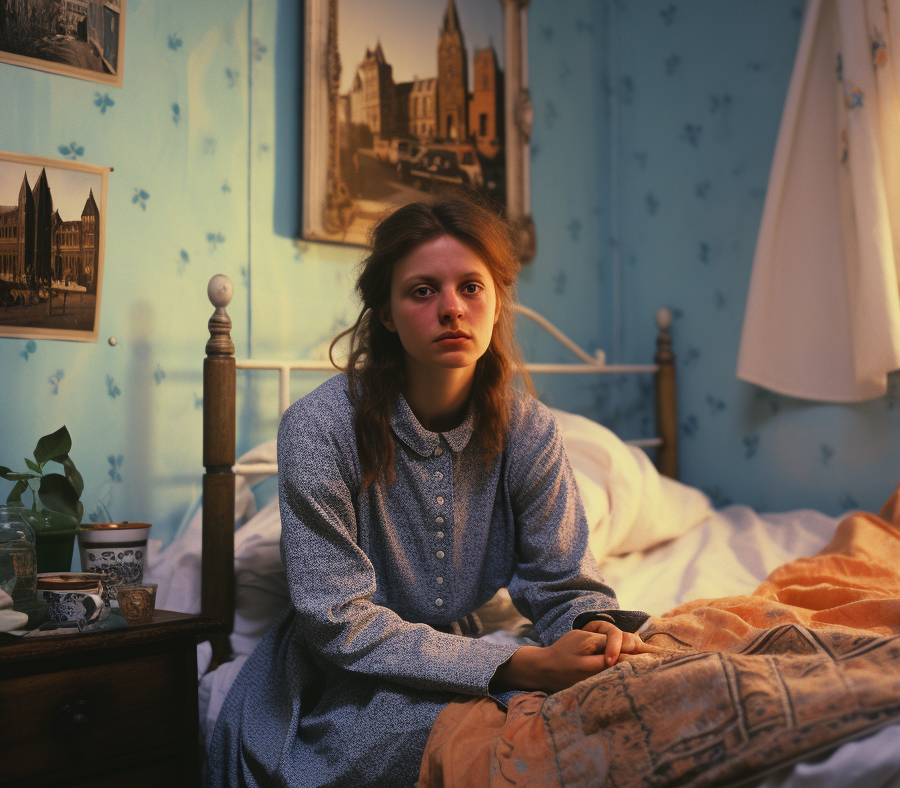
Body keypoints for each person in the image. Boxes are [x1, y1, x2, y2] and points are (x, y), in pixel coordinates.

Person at [209, 195, 656, 788]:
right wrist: (523, 664)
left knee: (620, 707)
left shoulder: (529, 429)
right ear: (387, 314)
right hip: (339, 675)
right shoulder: (319, 429)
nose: (452, 308)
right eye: (423, 290)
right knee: (487, 747)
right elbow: (338, 623)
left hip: (467, 647)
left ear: (497, 303)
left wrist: (593, 629)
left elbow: (562, 581)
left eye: (471, 287)